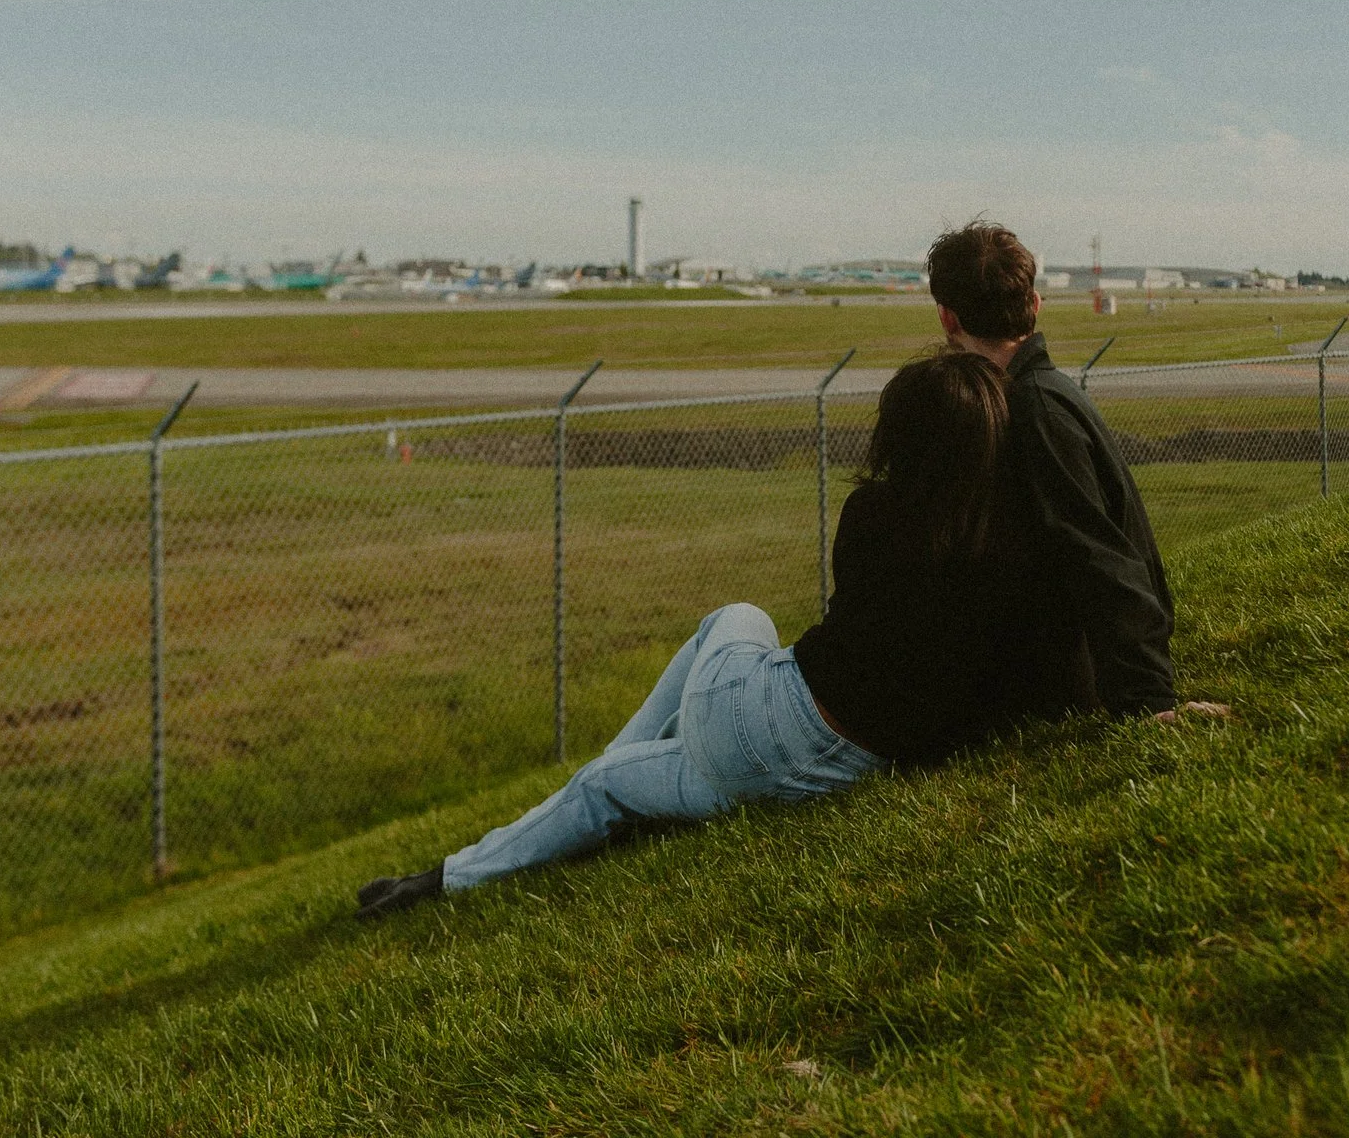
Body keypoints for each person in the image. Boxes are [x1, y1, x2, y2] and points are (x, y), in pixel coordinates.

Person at [355, 347, 1015, 919]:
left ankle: (447, 876)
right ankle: (573, 799)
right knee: (614, 779)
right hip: (843, 770)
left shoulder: (874, 513)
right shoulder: (1001, 551)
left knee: (734, 619)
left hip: (767, 728)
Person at [924, 220, 1223, 726]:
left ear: (948, 318)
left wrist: (1149, 701)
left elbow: (1099, 555)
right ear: (1035, 305)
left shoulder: (1035, 410)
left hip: (1068, 675)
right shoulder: (1046, 392)